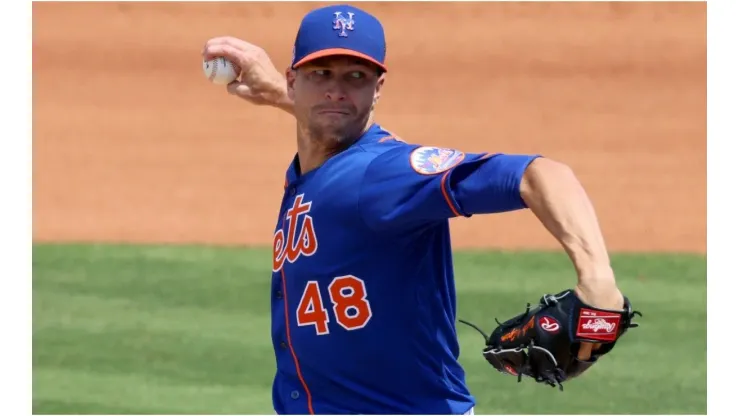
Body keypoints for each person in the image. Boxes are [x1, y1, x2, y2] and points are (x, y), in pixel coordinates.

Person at [202, 4, 625, 415]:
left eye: (355, 76)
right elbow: (328, 122)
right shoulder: (314, 170)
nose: (336, 89)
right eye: (320, 74)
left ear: (378, 88)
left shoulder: (383, 174)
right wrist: (279, 95)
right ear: (293, 80)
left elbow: (538, 174)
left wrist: (598, 278)